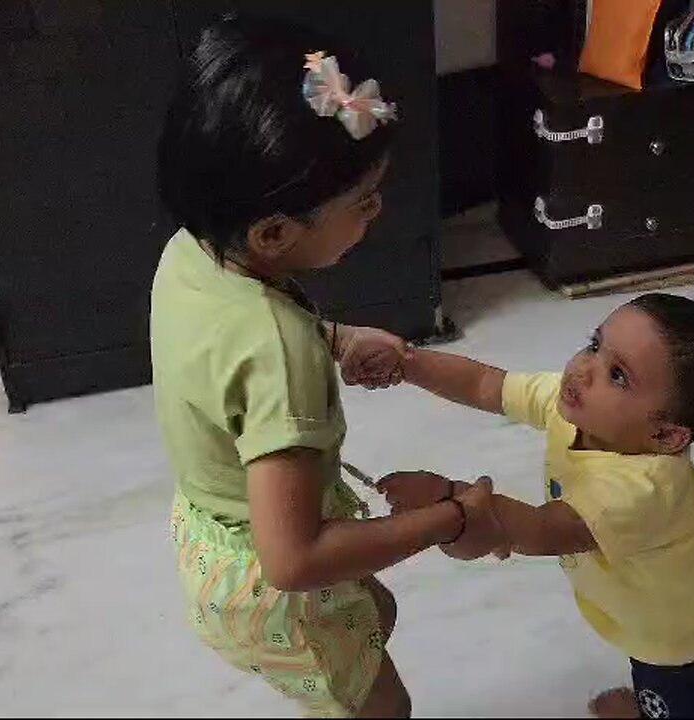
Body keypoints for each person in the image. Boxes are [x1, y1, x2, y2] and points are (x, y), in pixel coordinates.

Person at [150, 17, 505, 719]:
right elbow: (296, 560)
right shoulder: (277, 353)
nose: (377, 213)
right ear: (275, 232)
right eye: (363, 202)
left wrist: (331, 338)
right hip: (274, 584)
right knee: (382, 706)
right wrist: (449, 517)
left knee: (374, 614)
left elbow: (229, 350)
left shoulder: (190, 252)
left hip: (209, 537)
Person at [378, 293, 694, 719]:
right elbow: (486, 385)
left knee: (680, 701)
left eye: (618, 375)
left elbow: (544, 530)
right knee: (651, 671)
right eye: (594, 345)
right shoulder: (583, 410)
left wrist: (448, 494)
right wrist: (407, 363)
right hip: (669, 593)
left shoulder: (642, 491)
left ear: (665, 438)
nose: (583, 368)